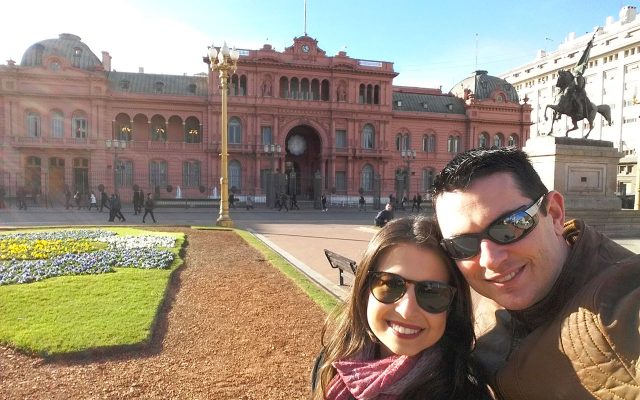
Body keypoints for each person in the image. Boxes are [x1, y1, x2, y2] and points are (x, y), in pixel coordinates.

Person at [432, 147, 640, 399]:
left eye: (511, 226)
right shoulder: (469, 304)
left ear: (553, 214)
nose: (490, 261)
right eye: (462, 245)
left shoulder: (625, 297)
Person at [310, 216, 490, 400]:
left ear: (452, 307)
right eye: (390, 285)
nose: (407, 311)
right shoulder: (329, 365)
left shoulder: (465, 393)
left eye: (432, 293)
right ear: (364, 292)